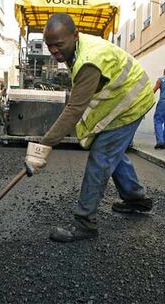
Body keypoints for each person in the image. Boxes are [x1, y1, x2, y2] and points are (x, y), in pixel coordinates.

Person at [23, 13, 155, 243]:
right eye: (49, 46)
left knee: (102, 155)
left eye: (58, 44)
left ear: (75, 35)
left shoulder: (89, 60)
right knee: (112, 151)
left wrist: (42, 146)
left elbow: (74, 109)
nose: (54, 51)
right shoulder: (76, 49)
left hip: (132, 102)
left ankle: (85, 222)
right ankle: (136, 199)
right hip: (122, 99)